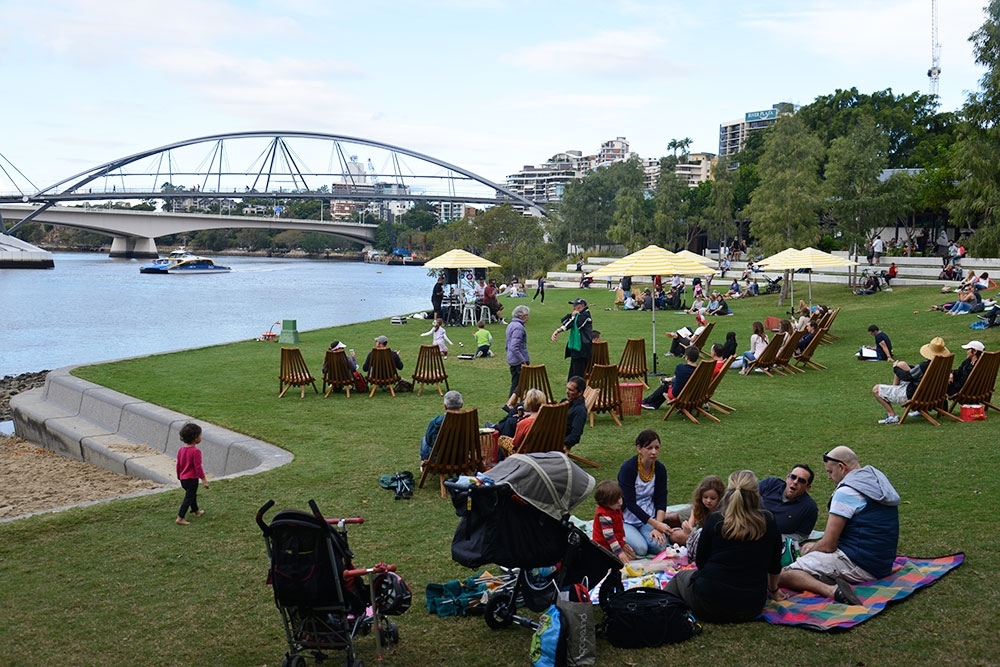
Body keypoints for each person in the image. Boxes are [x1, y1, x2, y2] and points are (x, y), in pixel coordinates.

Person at [780, 447, 900, 606]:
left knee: (782, 574)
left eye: (830, 472)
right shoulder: (875, 479)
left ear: (842, 467)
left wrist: (811, 550)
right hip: (882, 562)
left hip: (860, 564)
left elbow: (829, 545)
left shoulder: (847, 492)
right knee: (815, 554)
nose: (829, 477)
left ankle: (833, 590)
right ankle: (829, 576)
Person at [665, 470, 784, 623]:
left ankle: (662, 610)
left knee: (680, 578)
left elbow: (701, 562)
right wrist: (774, 590)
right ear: (756, 495)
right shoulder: (768, 521)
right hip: (751, 606)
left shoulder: (716, 520)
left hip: (708, 601)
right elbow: (774, 565)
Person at [618, 429, 674, 557]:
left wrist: (657, 526)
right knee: (641, 549)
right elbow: (630, 503)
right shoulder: (628, 468)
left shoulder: (660, 469)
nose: (654, 452)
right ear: (639, 448)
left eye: (657, 448)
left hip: (649, 518)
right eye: (649, 448)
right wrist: (656, 524)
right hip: (627, 519)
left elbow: (661, 499)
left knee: (659, 546)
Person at [872, 336, 950, 424]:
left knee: (876, 390)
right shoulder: (944, 366)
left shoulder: (925, 366)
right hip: (930, 395)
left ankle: (892, 415)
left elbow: (907, 377)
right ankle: (894, 388)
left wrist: (895, 368)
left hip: (914, 394)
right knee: (902, 364)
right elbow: (914, 374)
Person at [758, 465, 818, 542]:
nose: (795, 482)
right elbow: (746, 499)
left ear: (808, 487)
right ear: (787, 478)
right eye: (793, 477)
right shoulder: (769, 484)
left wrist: (773, 538)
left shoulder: (809, 508)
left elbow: (802, 535)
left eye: (801, 481)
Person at [667, 474, 725, 552]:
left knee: (675, 536)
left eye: (713, 498)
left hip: (708, 538)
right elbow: (690, 525)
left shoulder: (722, 511)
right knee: (672, 525)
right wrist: (686, 528)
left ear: (720, 498)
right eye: (705, 497)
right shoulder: (698, 507)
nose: (708, 501)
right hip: (698, 534)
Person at [592, 481, 638, 564]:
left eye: (620, 498)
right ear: (605, 502)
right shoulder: (604, 516)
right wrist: (619, 552)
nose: (620, 502)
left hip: (616, 542)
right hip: (604, 546)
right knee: (620, 562)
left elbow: (619, 530)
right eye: (615, 501)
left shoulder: (615, 509)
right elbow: (609, 537)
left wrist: (623, 544)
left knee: (632, 556)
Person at [175, 422, 209, 526]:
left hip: (183, 479)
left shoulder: (181, 450)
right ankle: (180, 517)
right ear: (195, 438)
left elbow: (178, 464)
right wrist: (204, 480)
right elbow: (198, 467)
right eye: (200, 435)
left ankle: (196, 511)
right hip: (191, 479)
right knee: (189, 497)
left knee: (192, 495)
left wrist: (179, 476)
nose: (201, 437)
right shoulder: (195, 451)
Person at [552, 298, 593, 381]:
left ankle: (577, 391)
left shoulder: (585, 315)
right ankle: (571, 388)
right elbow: (564, 321)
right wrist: (572, 315)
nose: (573, 307)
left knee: (578, 375)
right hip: (576, 348)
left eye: (576, 306)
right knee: (573, 373)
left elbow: (576, 324)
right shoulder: (578, 315)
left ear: (582, 306)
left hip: (582, 349)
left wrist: (558, 331)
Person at [420, 390, 464, 466]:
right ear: (461, 404)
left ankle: (424, 461)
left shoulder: (436, 422)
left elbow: (429, 441)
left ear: (445, 406)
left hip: (439, 459)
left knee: (424, 439)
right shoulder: (468, 420)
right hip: (461, 456)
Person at [505, 305, 530, 399]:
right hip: (518, 360)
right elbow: (514, 346)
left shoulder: (511, 325)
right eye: (526, 315)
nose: (528, 317)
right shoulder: (519, 327)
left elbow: (507, 344)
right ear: (520, 316)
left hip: (512, 358)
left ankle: (512, 404)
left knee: (516, 383)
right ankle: (511, 403)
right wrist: (523, 361)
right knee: (522, 384)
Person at [563, 376, 587, 449]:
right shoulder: (565, 402)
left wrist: (565, 444)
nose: (567, 391)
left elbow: (575, 434)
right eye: (567, 388)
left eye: (571, 390)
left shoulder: (580, 410)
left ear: (580, 392)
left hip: (558, 440)